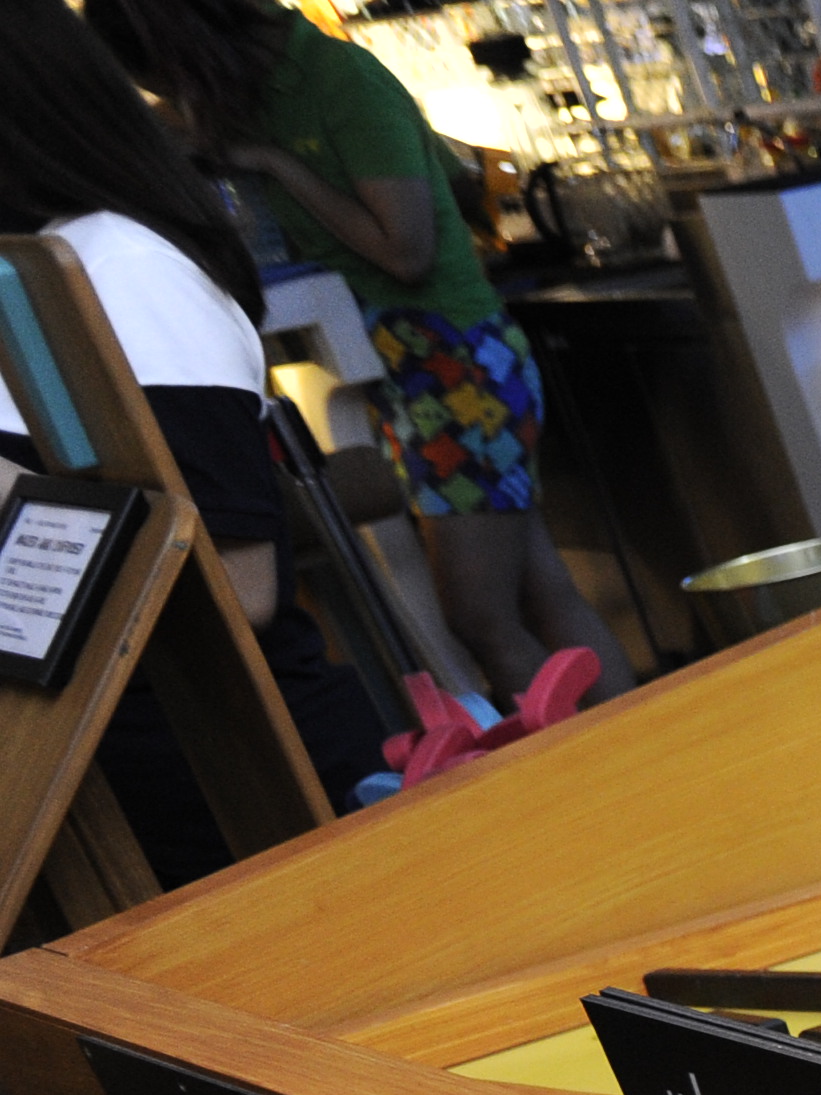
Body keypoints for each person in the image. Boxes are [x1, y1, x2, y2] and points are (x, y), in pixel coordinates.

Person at [89, 0, 634, 709]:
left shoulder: (341, 81)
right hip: (432, 366)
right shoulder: (269, 93)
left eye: (165, 77)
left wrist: (277, 165)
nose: (172, 94)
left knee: (480, 615)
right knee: (539, 589)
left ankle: (587, 758)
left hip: (458, 365)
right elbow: (452, 183)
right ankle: (635, 742)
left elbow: (407, 252)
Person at [0, 0, 385, 879]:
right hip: (113, 788)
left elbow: (235, 585)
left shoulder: (121, 269)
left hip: (233, 796)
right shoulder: (38, 263)